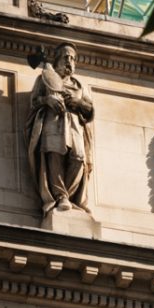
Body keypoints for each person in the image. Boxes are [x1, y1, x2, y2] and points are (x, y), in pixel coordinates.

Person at [26, 43, 95, 213]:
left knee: (79, 158)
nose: (69, 62)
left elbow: (90, 109)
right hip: (53, 121)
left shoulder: (80, 86)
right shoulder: (46, 78)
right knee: (54, 154)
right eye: (66, 57)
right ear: (57, 60)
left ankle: (71, 195)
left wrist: (78, 103)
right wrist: (47, 100)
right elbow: (34, 101)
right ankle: (60, 196)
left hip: (74, 124)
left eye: (73, 59)